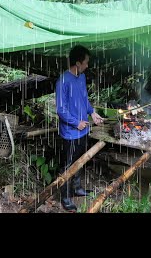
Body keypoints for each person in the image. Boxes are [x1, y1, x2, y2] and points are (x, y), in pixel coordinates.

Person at [55, 45, 104, 211]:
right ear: (77, 62)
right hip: (70, 133)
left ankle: (76, 188)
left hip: (83, 130)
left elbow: (84, 99)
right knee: (68, 165)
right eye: (86, 62)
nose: (87, 65)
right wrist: (76, 122)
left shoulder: (81, 77)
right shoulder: (63, 81)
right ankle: (65, 197)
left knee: (80, 161)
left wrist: (93, 113)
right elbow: (61, 110)